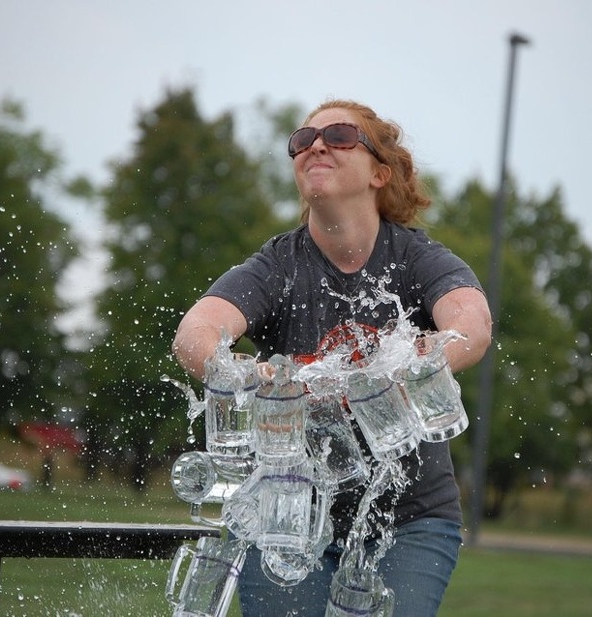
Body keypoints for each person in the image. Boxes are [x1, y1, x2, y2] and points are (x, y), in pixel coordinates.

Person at [172, 99, 492, 616]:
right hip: (285, 517)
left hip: (411, 519)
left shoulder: (416, 259)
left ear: (379, 173)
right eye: (303, 140)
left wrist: (425, 356)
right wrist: (239, 372)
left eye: (340, 136)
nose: (316, 145)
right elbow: (195, 332)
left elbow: (472, 324)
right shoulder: (277, 265)